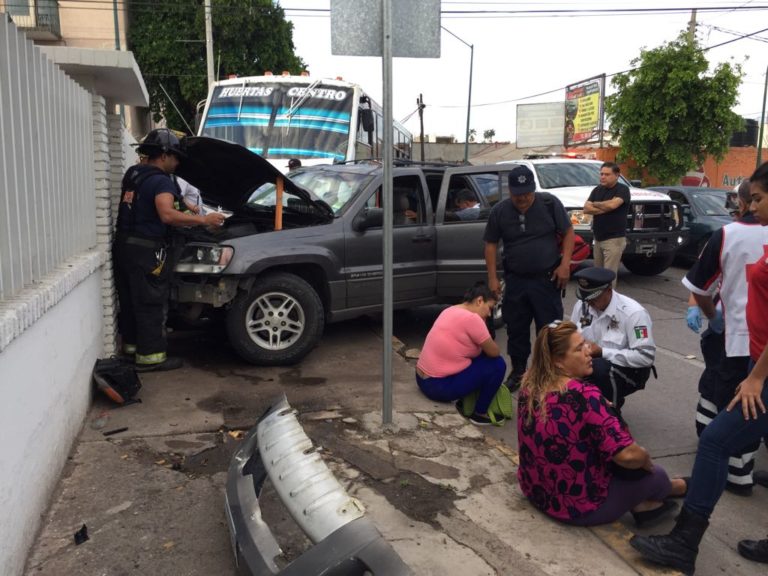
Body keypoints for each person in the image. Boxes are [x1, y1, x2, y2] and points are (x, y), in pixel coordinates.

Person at [630, 161, 768, 572]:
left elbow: (702, 287)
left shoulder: (730, 234)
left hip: (758, 366)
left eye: (758, 199)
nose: (753, 208)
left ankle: (684, 543)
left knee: (715, 442)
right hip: (752, 353)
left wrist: (756, 378)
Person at [517, 320, 686, 527]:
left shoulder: (529, 383)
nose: (588, 351)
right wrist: (645, 459)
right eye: (579, 349)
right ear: (558, 361)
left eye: (585, 344)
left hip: (536, 489)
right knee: (655, 475)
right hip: (576, 507)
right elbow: (628, 455)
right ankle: (678, 488)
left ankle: (646, 506)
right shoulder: (584, 395)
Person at [114, 129, 226, 372]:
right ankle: (151, 358)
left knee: (131, 301)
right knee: (151, 302)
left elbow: (155, 205)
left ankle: (131, 350)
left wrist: (187, 210)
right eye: (175, 157)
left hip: (124, 246)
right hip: (147, 250)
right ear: (163, 155)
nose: (177, 162)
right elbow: (166, 214)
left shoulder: (133, 174)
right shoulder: (161, 180)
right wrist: (205, 221)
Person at [683, 178, 768, 495]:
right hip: (757, 337)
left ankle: (736, 472)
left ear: (743, 202)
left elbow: (700, 287)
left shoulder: (727, 234)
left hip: (735, 332)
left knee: (731, 403)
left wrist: (708, 315)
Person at [484, 165, 575, 391]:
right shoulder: (500, 211)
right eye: (517, 194)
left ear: (533, 188)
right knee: (516, 328)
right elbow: (491, 244)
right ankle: (519, 371)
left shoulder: (549, 204)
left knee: (550, 330)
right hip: (516, 281)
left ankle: (549, 375)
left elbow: (569, 232)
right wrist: (493, 279)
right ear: (510, 191)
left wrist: (565, 265)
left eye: (526, 192)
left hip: (547, 280)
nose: (522, 198)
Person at [416, 283, 507, 425]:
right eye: (489, 308)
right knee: (498, 364)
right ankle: (480, 413)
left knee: (482, 358)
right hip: (437, 387)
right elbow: (494, 352)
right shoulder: (473, 319)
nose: (489, 314)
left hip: (421, 380)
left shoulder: (450, 310)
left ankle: (465, 401)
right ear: (479, 301)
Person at [569, 267, 655, 412]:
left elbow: (645, 357)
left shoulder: (634, 314)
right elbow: (570, 335)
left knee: (600, 368)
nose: (589, 303)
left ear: (609, 289)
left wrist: (602, 352)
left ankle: (611, 415)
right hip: (594, 363)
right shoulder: (583, 305)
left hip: (630, 371)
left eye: (593, 298)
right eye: (586, 298)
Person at [583, 162, 630, 284]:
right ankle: (597, 299)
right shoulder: (597, 189)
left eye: (607, 174)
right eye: (602, 174)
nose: (603, 177)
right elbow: (586, 208)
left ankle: (609, 300)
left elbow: (613, 205)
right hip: (598, 237)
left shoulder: (622, 190)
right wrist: (605, 207)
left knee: (609, 275)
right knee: (597, 273)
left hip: (614, 239)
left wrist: (596, 204)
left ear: (617, 175)